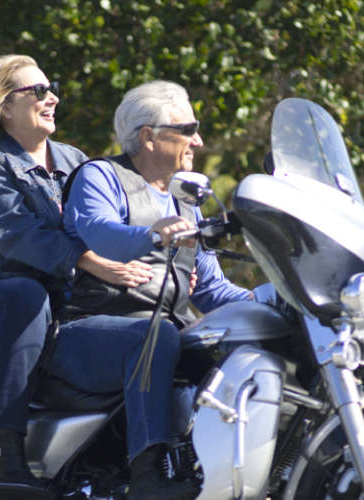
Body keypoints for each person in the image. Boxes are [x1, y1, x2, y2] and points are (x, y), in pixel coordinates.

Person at [0, 55, 153, 498]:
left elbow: (107, 222)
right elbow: (19, 237)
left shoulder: (75, 160)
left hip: (51, 297)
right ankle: (5, 444)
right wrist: (89, 261)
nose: (51, 96)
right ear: (3, 107)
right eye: (36, 91)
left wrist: (161, 265)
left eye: (51, 87)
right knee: (25, 294)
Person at [53, 80, 251, 500]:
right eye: (187, 128)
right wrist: (151, 234)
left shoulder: (185, 199)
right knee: (155, 333)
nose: (198, 139)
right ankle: (147, 474)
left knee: (248, 341)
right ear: (149, 136)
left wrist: (272, 303)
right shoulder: (100, 177)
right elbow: (100, 233)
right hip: (86, 334)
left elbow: (212, 289)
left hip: (162, 332)